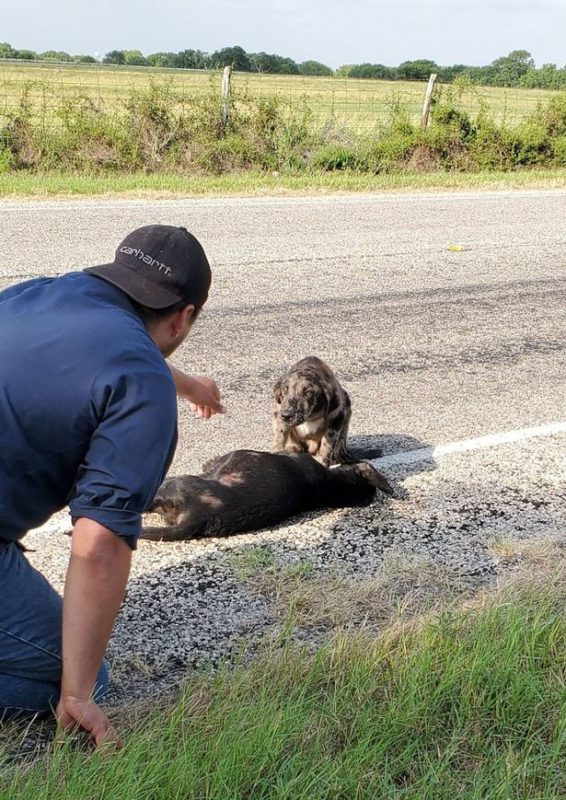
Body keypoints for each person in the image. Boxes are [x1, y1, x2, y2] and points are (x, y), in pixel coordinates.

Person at [0, 224, 224, 747]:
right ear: (185, 316)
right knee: (80, 673)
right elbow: (98, 544)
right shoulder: (141, 384)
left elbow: (101, 351)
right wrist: (77, 695)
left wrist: (184, 380)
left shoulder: (43, 292)